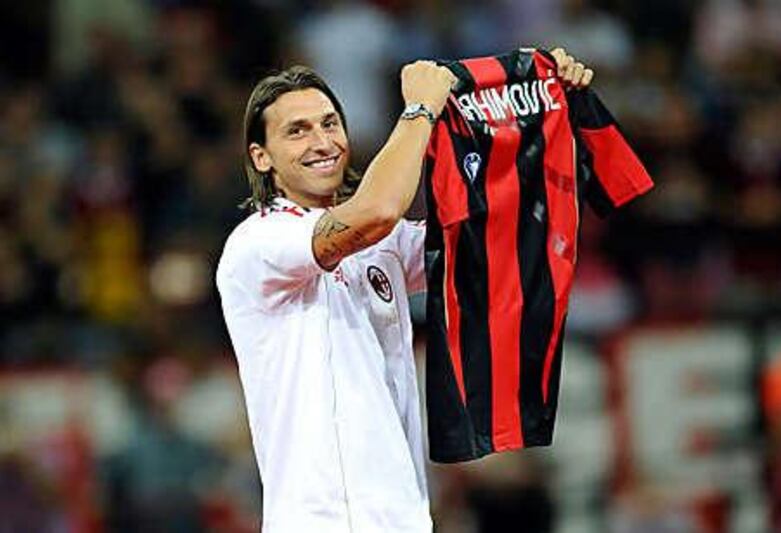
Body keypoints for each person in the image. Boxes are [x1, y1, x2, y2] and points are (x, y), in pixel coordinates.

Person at [216, 49, 593, 533]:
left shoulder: (385, 247)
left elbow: (501, 230)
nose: (322, 141)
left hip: (403, 517)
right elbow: (377, 210)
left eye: (330, 124)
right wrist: (419, 111)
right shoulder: (260, 241)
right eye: (298, 130)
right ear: (260, 156)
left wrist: (548, 108)